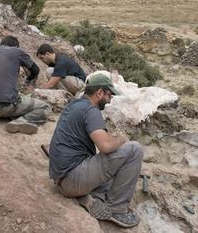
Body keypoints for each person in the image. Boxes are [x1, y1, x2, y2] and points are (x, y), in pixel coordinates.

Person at [49, 74, 143, 228]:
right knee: (135, 149)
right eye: (109, 95)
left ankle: (89, 197)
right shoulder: (91, 110)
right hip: (71, 179)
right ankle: (117, 210)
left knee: (116, 177)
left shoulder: (75, 104)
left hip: (60, 178)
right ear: (100, 93)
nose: (111, 99)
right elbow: (105, 147)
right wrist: (121, 138)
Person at [0, 36, 51, 135]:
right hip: (4, 107)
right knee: (45, 107)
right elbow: (35, 70)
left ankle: (12, 114)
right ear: (16, 46)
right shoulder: (17, 51)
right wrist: (28, 80)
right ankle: (20, 122)